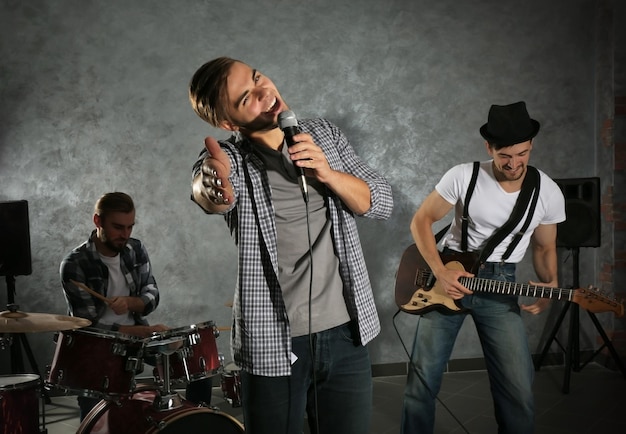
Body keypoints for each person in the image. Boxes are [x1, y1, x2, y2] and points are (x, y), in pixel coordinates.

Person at [188, 56, 393, 434]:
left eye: (258, 77)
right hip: (273, 345)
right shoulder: (232, 158)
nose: (265, 91)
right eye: (247, 96)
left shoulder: (324, 136)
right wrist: (213, 184)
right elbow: (209, 191)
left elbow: (379, 201)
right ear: (229, 123)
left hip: (347, 334)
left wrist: (328, 173)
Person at [400, 101, 566, 434]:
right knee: (422, 382)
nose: (514, 163)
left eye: (523, 153)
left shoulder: (546, 191)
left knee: (518, 389)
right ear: (489, 147)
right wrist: (442, 271)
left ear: (531, 146)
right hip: (447, 277)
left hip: (500, 283)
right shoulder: (464, 175)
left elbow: (545, 246)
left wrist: (551, 284)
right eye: (505, 155)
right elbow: (421, 220)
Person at [60, 192, 213, 420]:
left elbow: (151, 295)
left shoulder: (135, 249)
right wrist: (142, 332)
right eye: (118, 227)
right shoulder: (74, 265)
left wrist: (132, 303)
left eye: (130, 227)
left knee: (199, 361)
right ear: (97, 221)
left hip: (140, 339)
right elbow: (88, 328)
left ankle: (194, 422)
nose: (125, 234)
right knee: (96, 414)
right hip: (98, 347)